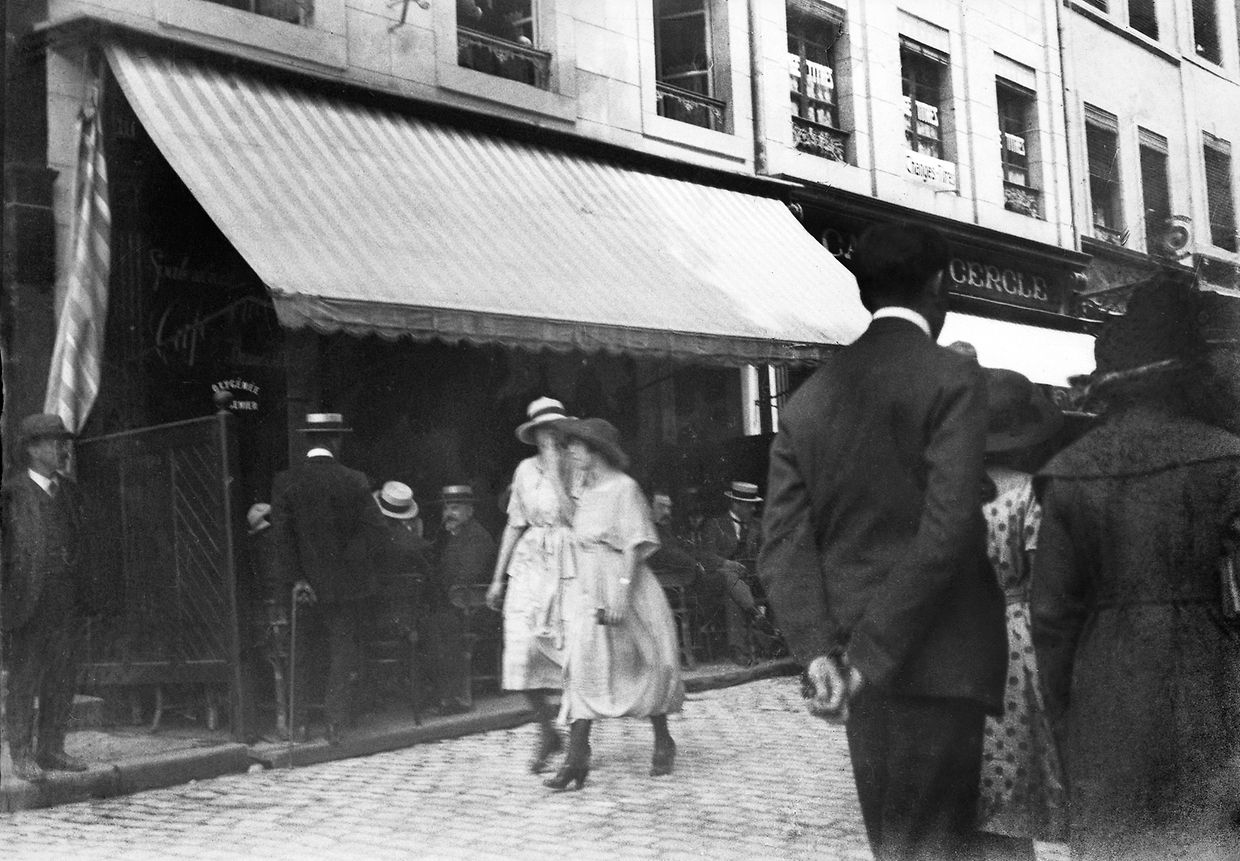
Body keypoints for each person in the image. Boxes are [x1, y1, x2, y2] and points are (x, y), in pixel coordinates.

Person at [760, 222, 1007, 861]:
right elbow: (948, 527)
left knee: (898, 842)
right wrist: (874, 652)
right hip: (937, 659)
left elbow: (783, 542)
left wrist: (820, 652)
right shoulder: (952, 379)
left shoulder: (808, 400)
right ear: (939, 285)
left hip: (856, 670)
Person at [1031, 279, 1240, 860]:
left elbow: (1049, 619)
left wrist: (1064, 715)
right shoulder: (1228, 458)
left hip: (1105, 687)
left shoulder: (1069, 472)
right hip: (1213, 679)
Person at [547, 418, 684, 791]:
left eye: (576, 446)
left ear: (596, 451)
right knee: (583, 663)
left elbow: (635, 544)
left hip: (625, 582)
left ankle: (662, 739)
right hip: (588, 586)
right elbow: (575, 525)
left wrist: (622, 592)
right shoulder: (585, 491)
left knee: (643, 662)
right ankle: (577, 756)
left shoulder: (625, 489)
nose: (570, 452)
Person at [974, 369, 1067, 859]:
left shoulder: (940, 489)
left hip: (953, 638)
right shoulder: (1026, 492)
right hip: (1012, 640)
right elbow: (1043, 573)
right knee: (1012, 764)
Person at [272, 412, 386, 745]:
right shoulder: (355, 479)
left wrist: (297, 579)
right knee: (342, 651)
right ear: (336, 441)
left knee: (300, 652)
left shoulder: (285, 481)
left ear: (308, 441)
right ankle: (335, 724)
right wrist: (349, 564)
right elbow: (376, 532)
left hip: (302, 588)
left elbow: (282, 540)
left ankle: (298, 726)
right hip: (345, 586)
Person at [486, 397, 576, 772]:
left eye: (554, 430)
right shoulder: (523, 469)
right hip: (528, 564)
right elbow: (514, 523)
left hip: (566, 560)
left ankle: (576, 740)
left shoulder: (576, 466)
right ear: (533, 435)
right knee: (521, 652)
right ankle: (546, 730)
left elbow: (577, 517)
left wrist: (557, 471)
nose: (547, 437)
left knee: (569, 653)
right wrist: (497, 578)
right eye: (541, 431)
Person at [1, 413, 89, 781]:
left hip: (64, 600)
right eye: (55, 443)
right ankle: (21, 755)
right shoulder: (11, 494)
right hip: (27, 602)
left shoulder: (68, 491)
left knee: (62, 677)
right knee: (25, 678)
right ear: (33, 450)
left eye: (63, 442)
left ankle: (51, 749)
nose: (63, 450)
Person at [430, 483, 497, 714]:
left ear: (470, 511)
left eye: (455, 508)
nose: (448, 514)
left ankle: (456, 698)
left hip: (477, 608)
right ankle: (438, 693)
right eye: (446, 508)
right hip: (457, 604)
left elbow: (467, 577)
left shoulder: (477, 538)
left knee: (441, 625)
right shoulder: (450, 536)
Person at [372, 481, 432, 711]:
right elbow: (430, 582)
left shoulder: (369, 542)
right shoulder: (416, 545)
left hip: (371, 621)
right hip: (407, 622)